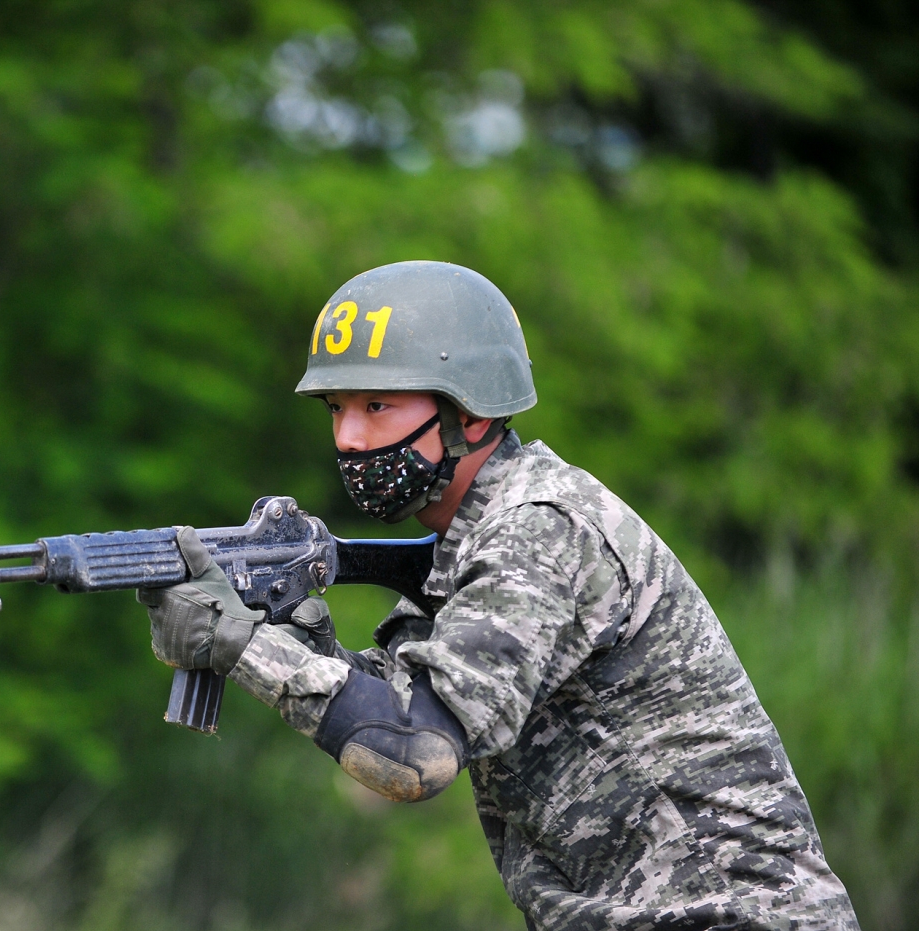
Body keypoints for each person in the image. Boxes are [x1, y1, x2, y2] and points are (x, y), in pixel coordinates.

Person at [138, 261, 859, 929]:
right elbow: (410, 702)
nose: (351, 438)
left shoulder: (537, 526)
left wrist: (239, 644)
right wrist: (306, 645)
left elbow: (412, 756)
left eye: (378, 404)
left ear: (472, 415)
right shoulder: (474, 536)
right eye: (336, 408)